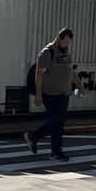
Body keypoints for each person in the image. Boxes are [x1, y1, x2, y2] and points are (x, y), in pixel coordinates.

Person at [27, 27, 77, 161]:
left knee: (57, 122)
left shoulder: (65, 51)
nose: (67, 45)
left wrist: (79, 84)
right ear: (59, 38)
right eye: (65, 42)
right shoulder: (47, 53)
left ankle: (34, 136)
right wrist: (38, 95)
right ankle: (56, 151)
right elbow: (39, 75)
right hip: (50, 94)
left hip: (64, 94)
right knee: (57, 122)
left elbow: (69, 70)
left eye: (68, 43)